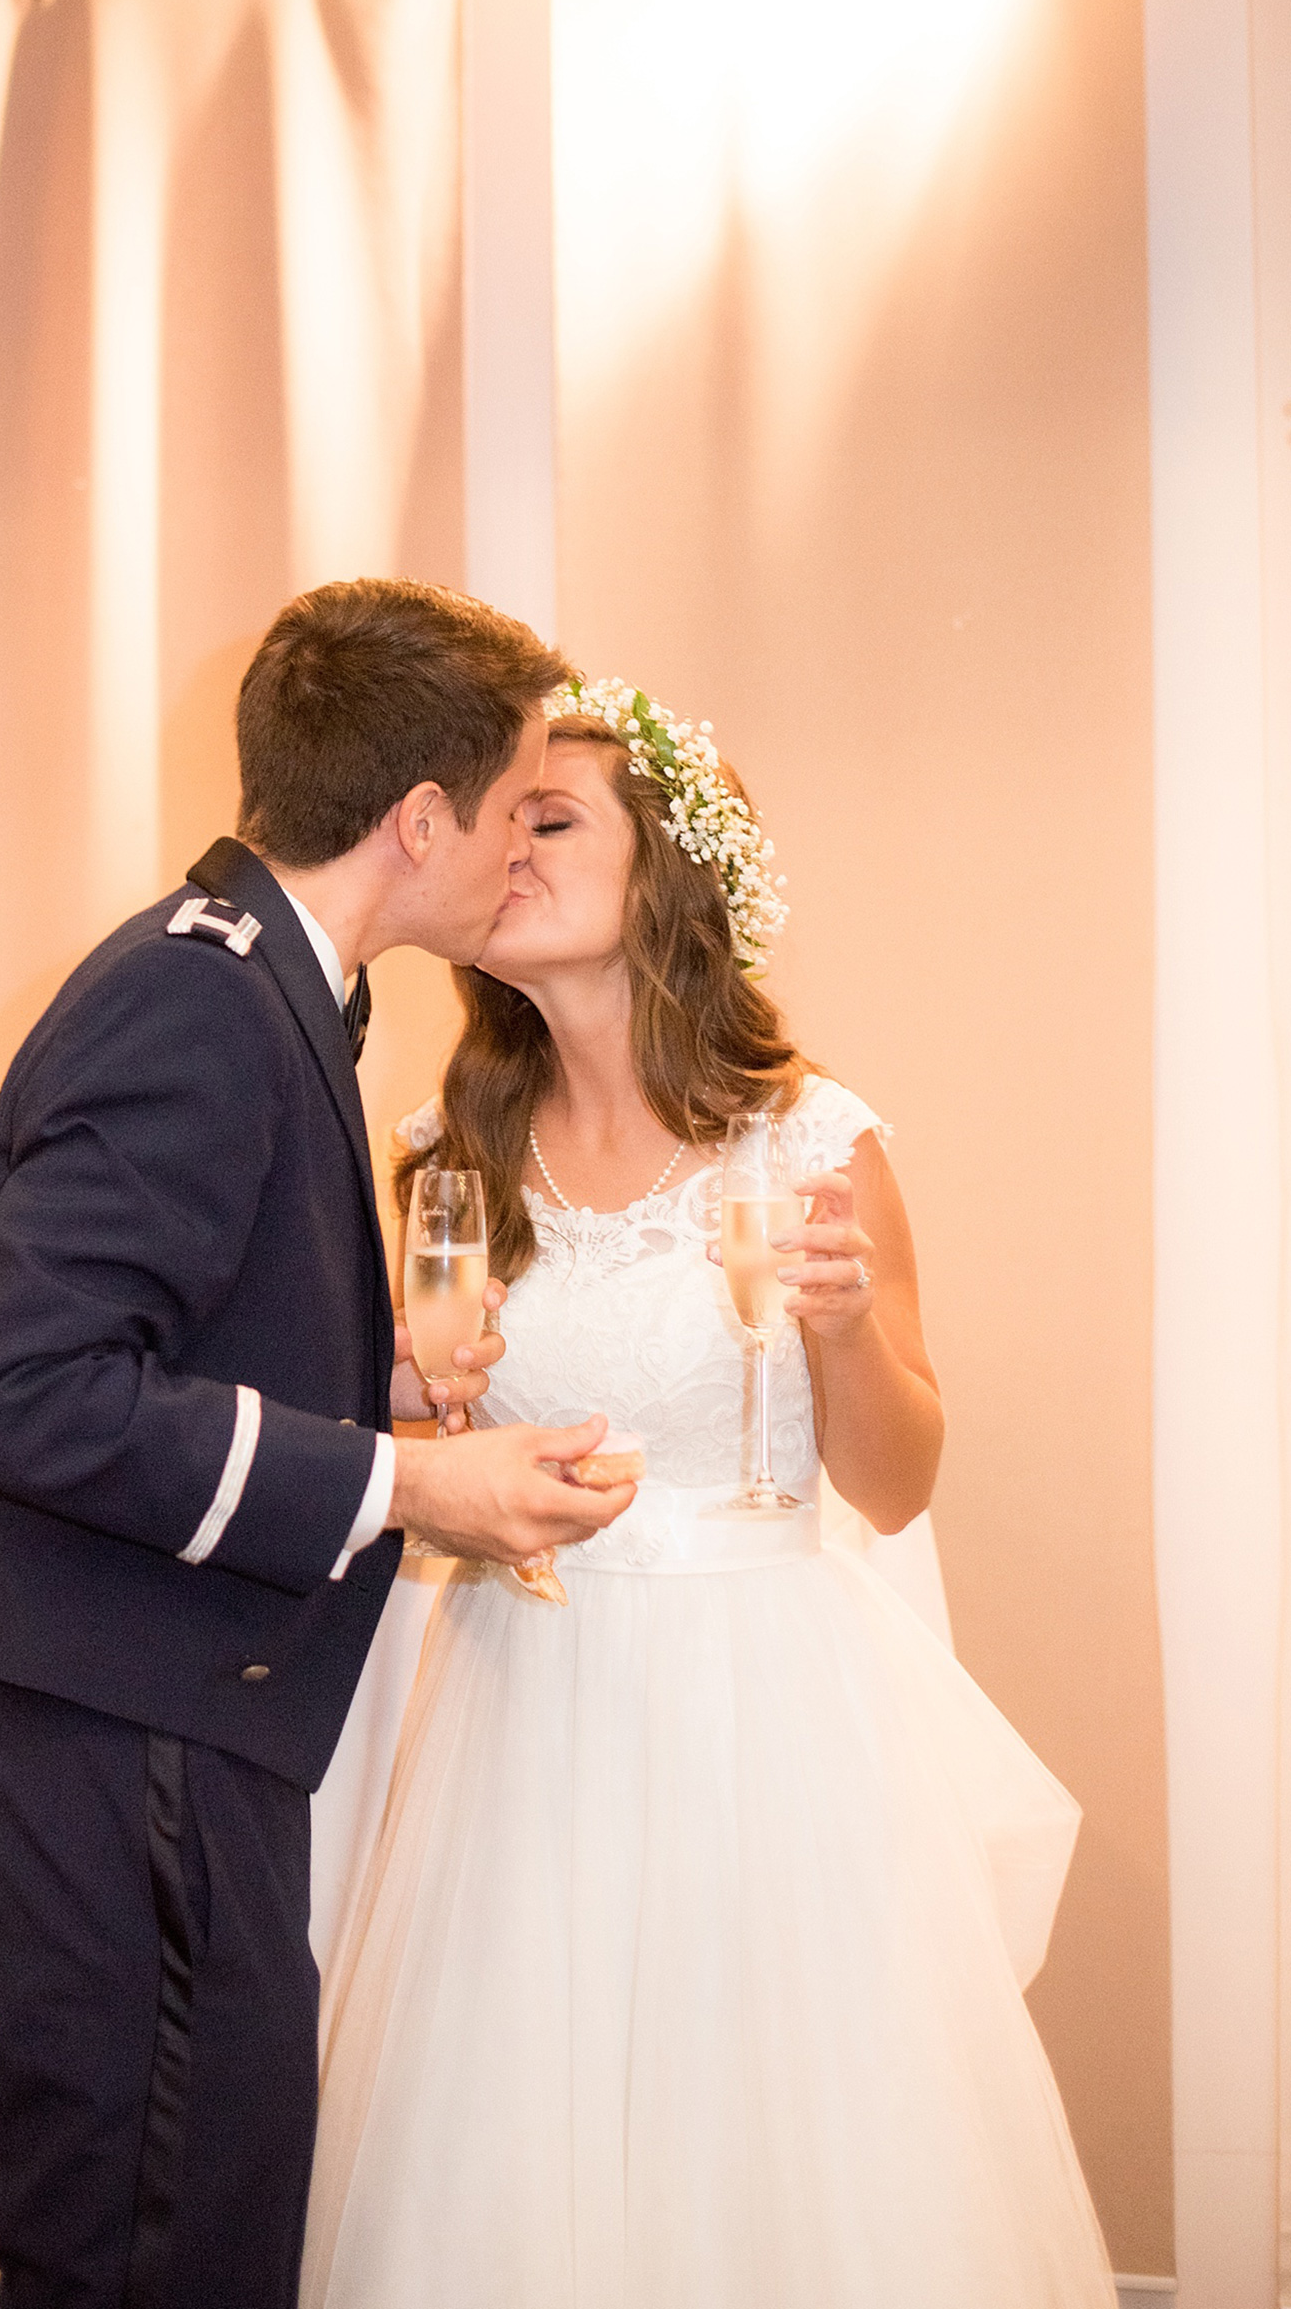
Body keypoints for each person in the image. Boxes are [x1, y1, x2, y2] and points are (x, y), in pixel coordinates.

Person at [301, 675, 1116, 2309]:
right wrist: (415, 1422)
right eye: (499, 817)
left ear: (667, 868)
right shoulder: (452, 1152)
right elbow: (426, 1457)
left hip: (768, 1722)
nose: (506, 846)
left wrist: (844, 1329)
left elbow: (894, 1482)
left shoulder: (808, 1140)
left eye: (552, 817)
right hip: (520, 1719)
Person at [0, 583, 638, 2309]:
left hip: (149, 1726)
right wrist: (405, 1480)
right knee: (156, 2259)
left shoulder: (256, 984)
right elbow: (27, 1391)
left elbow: (157, 1345)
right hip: (128, 1741)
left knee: (181, 2239)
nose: (526, 854)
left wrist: (364, 1386)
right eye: (522, 810)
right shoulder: (202, 1003)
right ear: (421, 821)